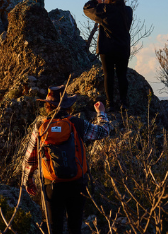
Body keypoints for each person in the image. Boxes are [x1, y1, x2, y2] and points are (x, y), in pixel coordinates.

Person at [23, 86, 112, 234]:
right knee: (75, 228)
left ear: (47, 105)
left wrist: (29, 180)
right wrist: (101, 113)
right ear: (68, 106)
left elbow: (30, 158)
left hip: (52, 184)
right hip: (77, 183)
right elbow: (103, 131)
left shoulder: (40, 126)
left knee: (54, 228)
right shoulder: (77, 123)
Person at [83, 0, 133, 111]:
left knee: (108, 75)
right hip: (122, 47)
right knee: (122, 75)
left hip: (107, 48)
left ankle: (110, 104)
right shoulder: (127, 11)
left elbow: (87, 8)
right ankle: (124, 103)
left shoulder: (104, 9)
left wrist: (98, 2)